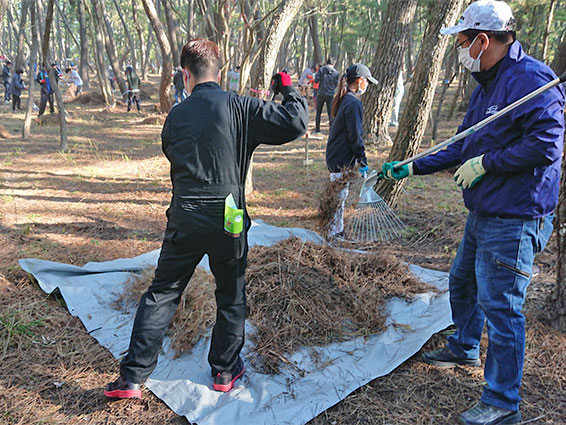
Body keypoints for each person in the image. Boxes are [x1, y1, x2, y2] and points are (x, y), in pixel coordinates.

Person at [382, 1, 564, 424]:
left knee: (501, 307)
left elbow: (547, 144)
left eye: (462, 43)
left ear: (483, 40)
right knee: (463, 280)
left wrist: (488, 163)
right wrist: (413, 166)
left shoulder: (532, 80)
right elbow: (464, 143)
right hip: (484, 210)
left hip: (516, 216)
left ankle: (502, 403)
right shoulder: (486, 84)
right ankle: (464, 346)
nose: (459, 51)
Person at [104, 38, 308, 399]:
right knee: (231, 295)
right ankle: (224, 371)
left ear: (186, 74)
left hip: (185, 215)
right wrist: (287, 89)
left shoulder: (176, 115)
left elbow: (172, 151)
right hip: (228, 215)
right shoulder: (240, 107)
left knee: (163, 292)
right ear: (220, 70)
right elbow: (295, 122)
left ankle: (132, 377)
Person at [325, 64, 377, 240]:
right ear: (360, 81)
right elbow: (355, 135)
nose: (366, 86)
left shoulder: (344, 99)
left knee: (340, 196)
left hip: (335, 156)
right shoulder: (352, 103)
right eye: (366, 82)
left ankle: (337, 231)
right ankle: (333, 234)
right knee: (338, 199)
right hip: (340, 158)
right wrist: (362, 160)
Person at [314, 57, 339, 133]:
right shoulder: (336, 73)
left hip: (321, 93)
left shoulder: (321, 70)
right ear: (334, 64)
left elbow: (316, 80)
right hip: (330, 94)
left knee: (318, 112)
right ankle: (331, 129)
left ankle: (317, 129)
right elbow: (336, 84)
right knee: (330, 113)